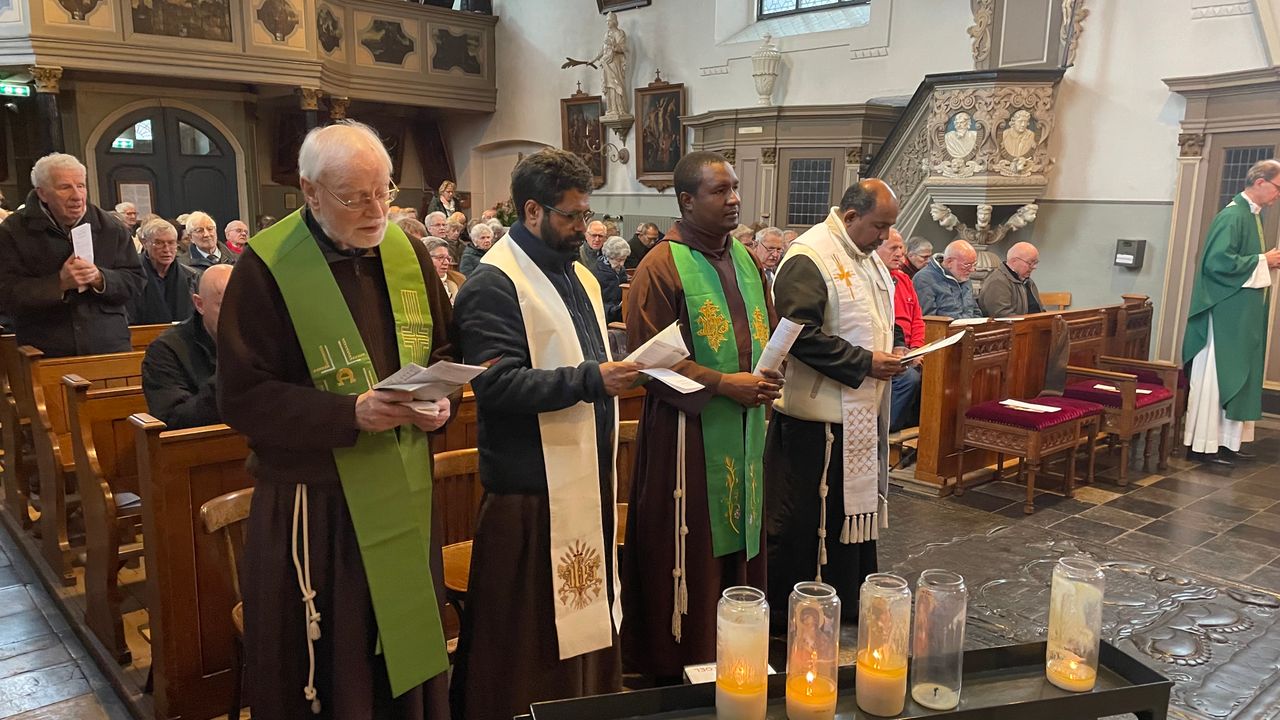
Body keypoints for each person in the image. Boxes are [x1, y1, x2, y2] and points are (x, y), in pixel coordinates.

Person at [218, 121, 455, 719]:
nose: (377, 210)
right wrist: (348, 413)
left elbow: (445, 350)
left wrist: (439, 401)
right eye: (356, 197)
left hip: (403, 489)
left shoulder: (406, 252)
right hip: (316, 505)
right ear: (310, 191)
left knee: (403, 655)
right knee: (333, 668)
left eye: (385, 191)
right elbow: (243, 396)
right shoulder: (267, 268)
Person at [450, 148, 639, 720]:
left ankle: (588, 704)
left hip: (585, 477)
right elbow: (497, 386)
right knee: (528, 639)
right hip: (531, 492)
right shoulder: (494, 284)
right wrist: (593, 379)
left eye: (586, 215)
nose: (583, 228)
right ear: (531, 210)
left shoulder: (578, 272)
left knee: (584, 619)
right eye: (571, 216)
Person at [622, 151, 783, 680]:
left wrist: (766, 373)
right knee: (691, 542)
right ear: (687, 200)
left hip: (745, 425)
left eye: (735, 188)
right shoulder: (660, 267)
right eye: (720, 191)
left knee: (744, 536)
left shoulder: (746, 259)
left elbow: (765, 329)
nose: (735, 199)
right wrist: (722, 385)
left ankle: (741, 647)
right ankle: (683, 657)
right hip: (685, 434)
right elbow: (651, 358)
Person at [766, 179, 903, 627]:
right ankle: (806, 613)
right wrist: (865, 363)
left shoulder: (860, 255)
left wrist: (894, 347)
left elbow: (877, 317)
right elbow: (798, 333)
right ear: (849, 217)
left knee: (846, 518)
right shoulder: (811, 256)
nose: (884, 237)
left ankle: (844, 600)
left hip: (852, 415)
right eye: (879, 226)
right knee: (810, 523)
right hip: (816, 424)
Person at [1183, 158, 1280, 464]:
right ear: (1260, 182)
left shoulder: (1252, 216)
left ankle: (1226, 442)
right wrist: (1263, 261)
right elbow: (1217, 263)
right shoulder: (1232, 216)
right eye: (1278, 187)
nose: (1279, 195)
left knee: (1234, 374)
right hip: (1222, 317)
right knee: (1216, 376)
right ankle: (1203, 445)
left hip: (1238, 315)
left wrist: (1263, 260)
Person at [0, 153, 144, 357]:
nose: (77, 196)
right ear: (42, 194)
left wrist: (100, 278)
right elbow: (6, 295)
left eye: (81, 186)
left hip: (108, 348)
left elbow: (135, 282)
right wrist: (59, 284)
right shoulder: (12, 232)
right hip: (47, 351)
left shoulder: (111, 228)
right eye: (65, 187)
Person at [141, 264, 231, 428]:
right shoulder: (165, 350)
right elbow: (173, 420)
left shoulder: (259, 338)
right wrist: (229, 376)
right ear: (199, 304)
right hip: (200, 448)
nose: (235, 314)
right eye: (223, 305)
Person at [876, 229, 923, 432]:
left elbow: (918, 319)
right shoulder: (872, 279)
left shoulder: (903, 280)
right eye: (893, 248)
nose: (899, 254)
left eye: (901, 248)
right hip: (884, 350)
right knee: (910, 378)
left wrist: (916, 349)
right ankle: (884, 432)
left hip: (907, 349)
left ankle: (921, 437)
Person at [127, 217, 199, 325]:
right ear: (145, 243)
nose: (166, 249)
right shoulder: (131, 276)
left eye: (171, 243)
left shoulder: (191, 277)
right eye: (159, 243)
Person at [913, 239, 981, 319]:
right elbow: (928, 321)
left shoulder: (963, 276)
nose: (972, 270)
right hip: (945, 330)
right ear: (949, 262)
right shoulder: (924, 279)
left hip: (969, 329)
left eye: (974, 264)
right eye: (967, 265)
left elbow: (975, 312)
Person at [979, 241, 1043, 317]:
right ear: (1014, 261)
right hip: (1015, 327)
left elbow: (1040, 309)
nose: (1034, 267)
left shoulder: (1029, 282)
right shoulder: (997, 281)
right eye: (1030, 263)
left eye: (1035, 262)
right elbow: (1002, 316)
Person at [593, 235, 630, 323]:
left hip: (620, 313)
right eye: (618, 260)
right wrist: (613, 309)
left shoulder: (621, 271)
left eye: (624, 259)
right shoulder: (597, 273)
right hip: (606, 317)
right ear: (609, 257)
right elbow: (597, 303)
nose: (622, 264)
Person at [426, 237, 465, 303]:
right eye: (440, 257)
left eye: (448, 258)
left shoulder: (459, 279)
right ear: (426, 258)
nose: (446, 262)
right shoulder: (420, 283)